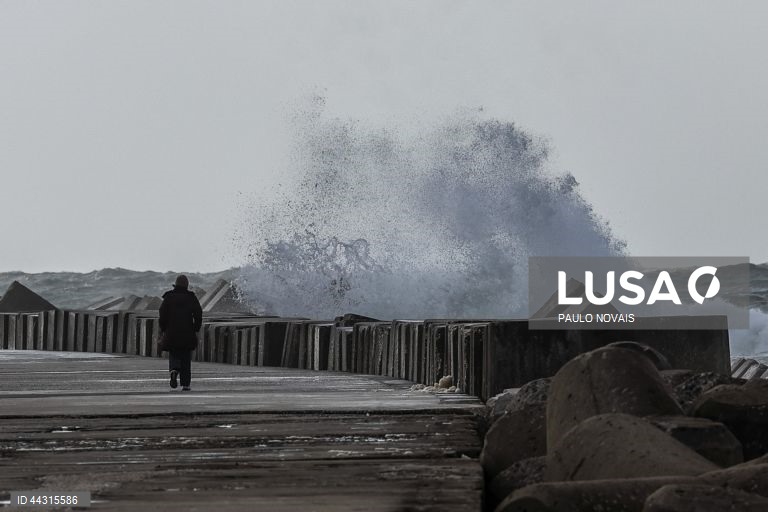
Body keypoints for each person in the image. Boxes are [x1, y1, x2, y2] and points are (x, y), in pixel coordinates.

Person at [159, 275, 202, 391]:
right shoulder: (191, 297)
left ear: (175, 285)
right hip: (187, 332)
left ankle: (173, 370)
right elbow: (198, 314)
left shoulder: (169, 297)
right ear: (187, 286)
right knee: (186, 357)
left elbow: (162, 314)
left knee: (174, 352)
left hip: (171, 332)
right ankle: (186, 384)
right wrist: (196, 328)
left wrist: (163, 329)